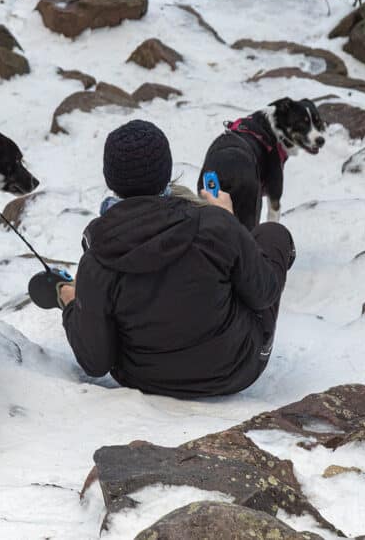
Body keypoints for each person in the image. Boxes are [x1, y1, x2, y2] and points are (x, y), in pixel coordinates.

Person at [55, 119, 296, 398]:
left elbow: (95, 361)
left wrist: (71, 304)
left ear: (111, 179)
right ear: (166, 170)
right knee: (273, 235)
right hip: (235, 369)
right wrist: (229, 221)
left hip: (143, 379)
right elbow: (263, 293)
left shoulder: (97, 259)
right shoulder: (215, 225)